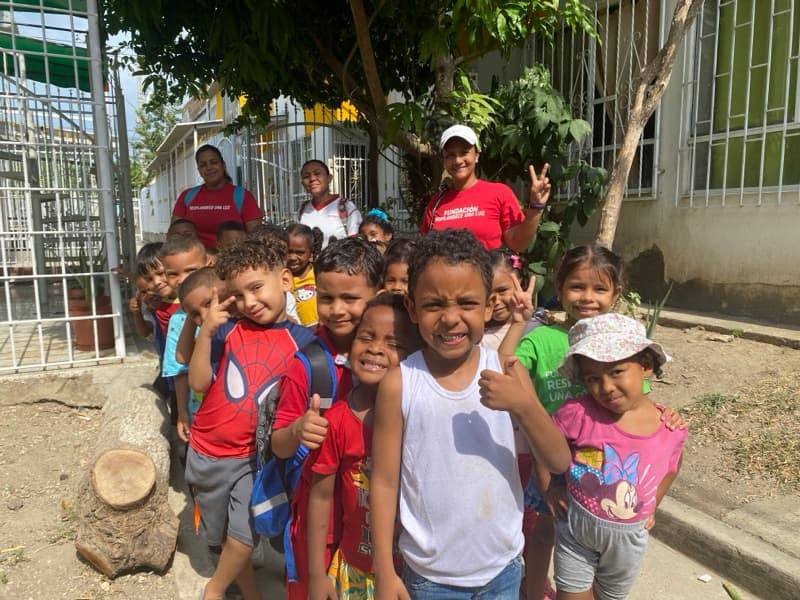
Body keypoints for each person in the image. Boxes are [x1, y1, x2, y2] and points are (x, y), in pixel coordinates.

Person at [369, 228, 571, 599]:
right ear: (412, 308)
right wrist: (384, 570)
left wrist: (524, 406)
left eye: (466, 303)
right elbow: (383, 482)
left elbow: (559, 459)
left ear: (487, 306)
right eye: (433, 305)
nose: (450, 318)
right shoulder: (400, 384)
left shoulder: (508, 371)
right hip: (430, 578)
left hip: (503, 569)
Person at [186, 238, 315, 600]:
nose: (249, 303)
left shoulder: (304, 342)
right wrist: (206, 331)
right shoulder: (227, 332)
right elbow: (198, 383)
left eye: (256, 288)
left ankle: (213, 590)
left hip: (251, 459)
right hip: (206, 451)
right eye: (238, 296)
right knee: (226, 536)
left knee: (243, 534)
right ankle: (250, 594)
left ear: (285, 280)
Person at [270, 238, 383, 600]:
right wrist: (299, 430)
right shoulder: (307, 365)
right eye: (326, 297)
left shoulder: (395, 357)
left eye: (350, 298)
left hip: (373, 521)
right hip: (321, 525)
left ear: (378, 295)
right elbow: (278, 444)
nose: (336, 310)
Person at [551, 312, 687, 600]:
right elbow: (546, 444)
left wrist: (652, 507)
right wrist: (549, 486)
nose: (606, 387)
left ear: (646, 366)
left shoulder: (669, 428)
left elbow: (672, 467)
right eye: (593, 378)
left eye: (616, 372)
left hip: (627, 543)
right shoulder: (578, 413)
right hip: (576, 531)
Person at [307, 294, 423, 600]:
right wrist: (317, 574)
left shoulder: (424, 418)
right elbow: (320, 498)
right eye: (366, 337)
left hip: (416, 575)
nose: (375, 348)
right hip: (355, 570)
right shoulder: (336, 421)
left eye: (394, 343)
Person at [419, 124, 551, 251]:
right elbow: (425, 251)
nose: (458, 160)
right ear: (444, 160)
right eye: (450, 155)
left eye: (464, 153)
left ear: (476, 155)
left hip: (487, 274)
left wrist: (536, 207)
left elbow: (518, 244)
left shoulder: (499, 193)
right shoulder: (436, 202)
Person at [159, 234, 213, 441]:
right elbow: (179, 372)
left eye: (191, 270)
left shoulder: (230, 306)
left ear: (208, 263)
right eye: (173, 274)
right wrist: (182, 413)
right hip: (198, 411)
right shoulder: (177, 321)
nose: (182, 279)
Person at [172, 144, 262, 249]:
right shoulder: (186, 196)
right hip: (195, 262)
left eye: (213, 162)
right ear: (199, 170)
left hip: (233, 260)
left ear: (223, 165)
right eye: (203, 165)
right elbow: (174, 234)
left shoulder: (243, 196)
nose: (209, 167)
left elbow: (256, 237)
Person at [298, 159, 362, 248]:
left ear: (329, 178)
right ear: (303, 184)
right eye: (306, 176)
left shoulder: (346, 207)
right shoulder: (303, 209)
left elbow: (356, 245)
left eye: (317, 173)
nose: (312, 179)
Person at [286, 223, 324, 327]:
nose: (293, 257)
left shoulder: (318, 273)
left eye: (299, 252)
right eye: (288, 252)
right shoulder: (283, 278)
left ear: (311, 255)